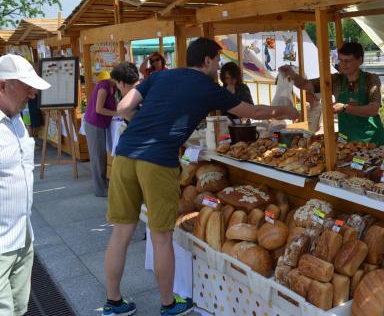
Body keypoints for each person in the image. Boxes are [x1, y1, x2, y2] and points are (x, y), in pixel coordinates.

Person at [102, 37, 299, 316]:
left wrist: (146, 124)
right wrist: (285, 110)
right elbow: (251, 112)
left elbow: (123, 108)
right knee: (160, 237)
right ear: (206, 60)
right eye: (218, 61)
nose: (219, 67)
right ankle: (169, 304)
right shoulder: (208, 87)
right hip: (158, 161)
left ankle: (113, 303)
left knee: (120, 233)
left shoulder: (160, 77)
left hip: (125, 155)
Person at [0, 54, 50, 315]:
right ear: (3, 85)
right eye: (26, 86)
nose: (32, 93)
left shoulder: (17, 120)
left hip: (22, 235)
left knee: (19, 307)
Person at [280, 42, 384, 146]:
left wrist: (345, 107)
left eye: (347, 61)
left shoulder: (371, 79)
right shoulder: (336, 79)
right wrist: (292, 74)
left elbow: (373, 109)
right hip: (348, 141)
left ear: (360, 60)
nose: (343, 64)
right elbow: (305, 84)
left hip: (373, 140)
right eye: (341, 60)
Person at [83, 70, 118, 197]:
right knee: (98, 157)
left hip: (100, 124)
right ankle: (100, 190)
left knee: (100, 156)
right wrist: (117, 113)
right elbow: (99, 109)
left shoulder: (112, 87)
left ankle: (103, 186)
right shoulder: (104, 86)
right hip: (94, 124)